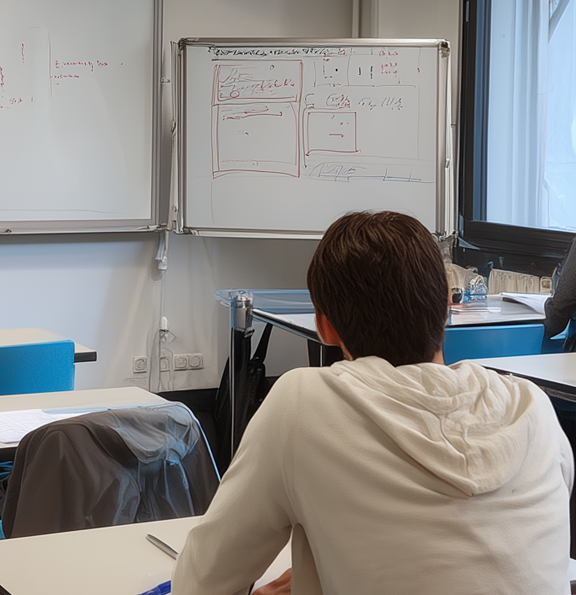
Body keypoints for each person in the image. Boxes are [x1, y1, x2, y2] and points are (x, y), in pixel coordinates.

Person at [172, 210, 574, 595]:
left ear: (324, 327)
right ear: (446, 310)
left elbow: (203, 582)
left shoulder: (302, 406)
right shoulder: (533, 407)